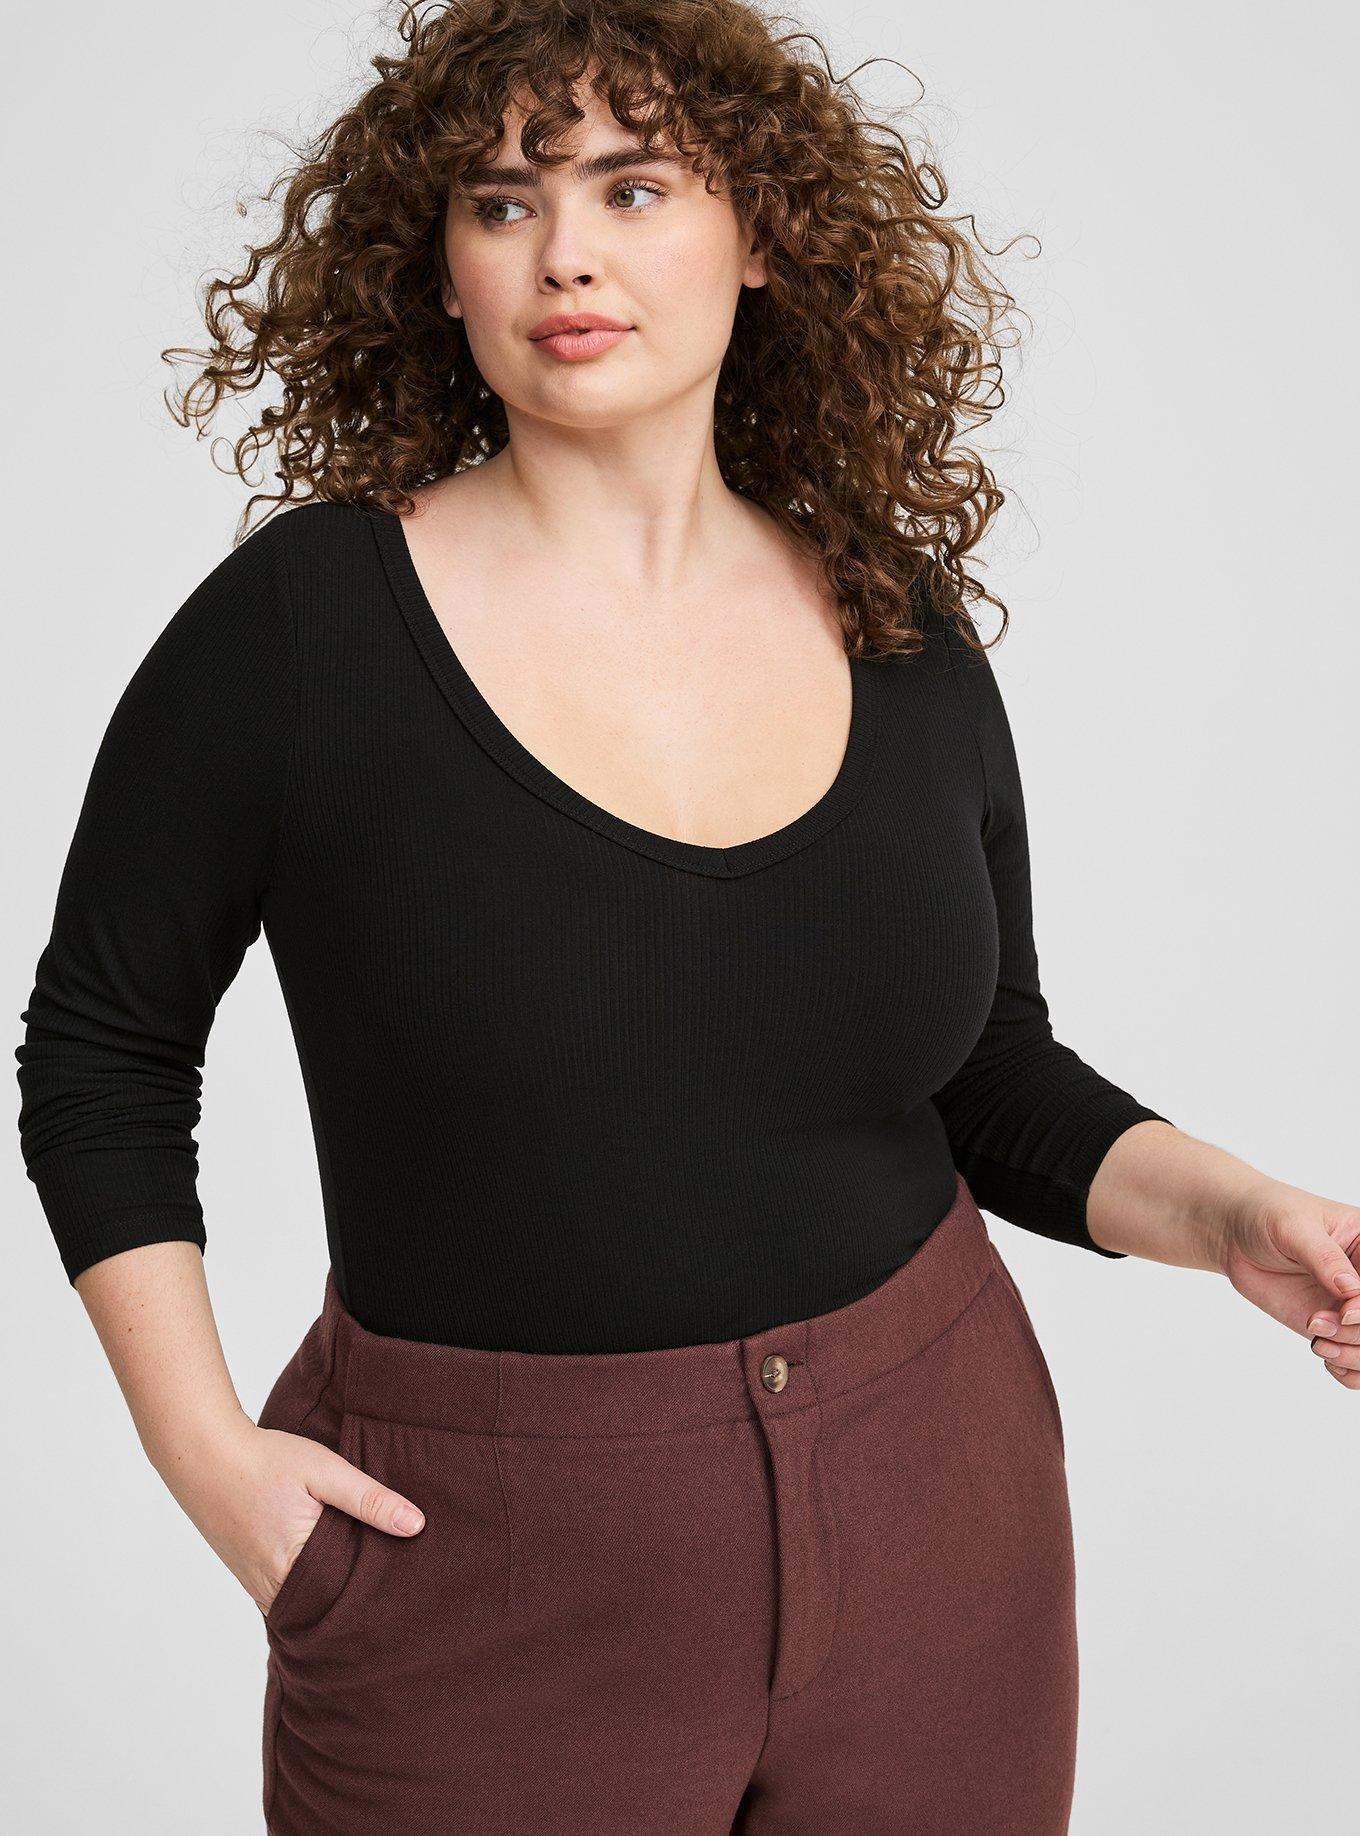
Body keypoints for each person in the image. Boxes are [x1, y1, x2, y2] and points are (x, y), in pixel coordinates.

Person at [15, 2, 1359, 1831]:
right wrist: (210, 1464)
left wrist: (1238, 1219)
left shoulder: (895, 626)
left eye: (633, 187)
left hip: (938, 1511)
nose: (565, 253)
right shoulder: (305, 627)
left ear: (763, 234)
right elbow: (102, 1050)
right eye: (503, 205)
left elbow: (984, 1068)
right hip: (481, 1566)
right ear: (442, 272)